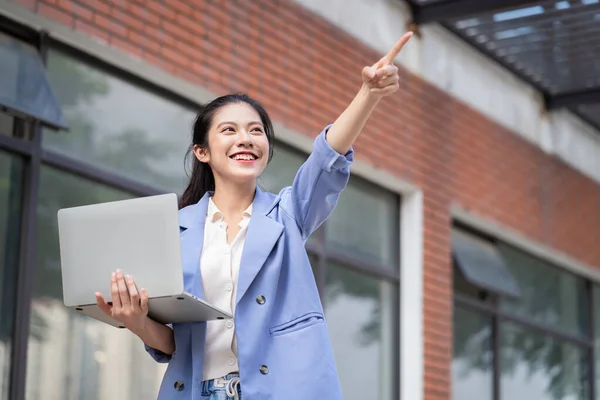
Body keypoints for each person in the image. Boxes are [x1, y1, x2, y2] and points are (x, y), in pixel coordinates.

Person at [95, 32, 413, 400]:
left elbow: (327, 160)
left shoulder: (287, 216)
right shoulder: (175, 232)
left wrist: (368, 94)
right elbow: (174, 346)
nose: (245, 138)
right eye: (229, 130)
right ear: (202, 152)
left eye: (256, 131)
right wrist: (136, 322)